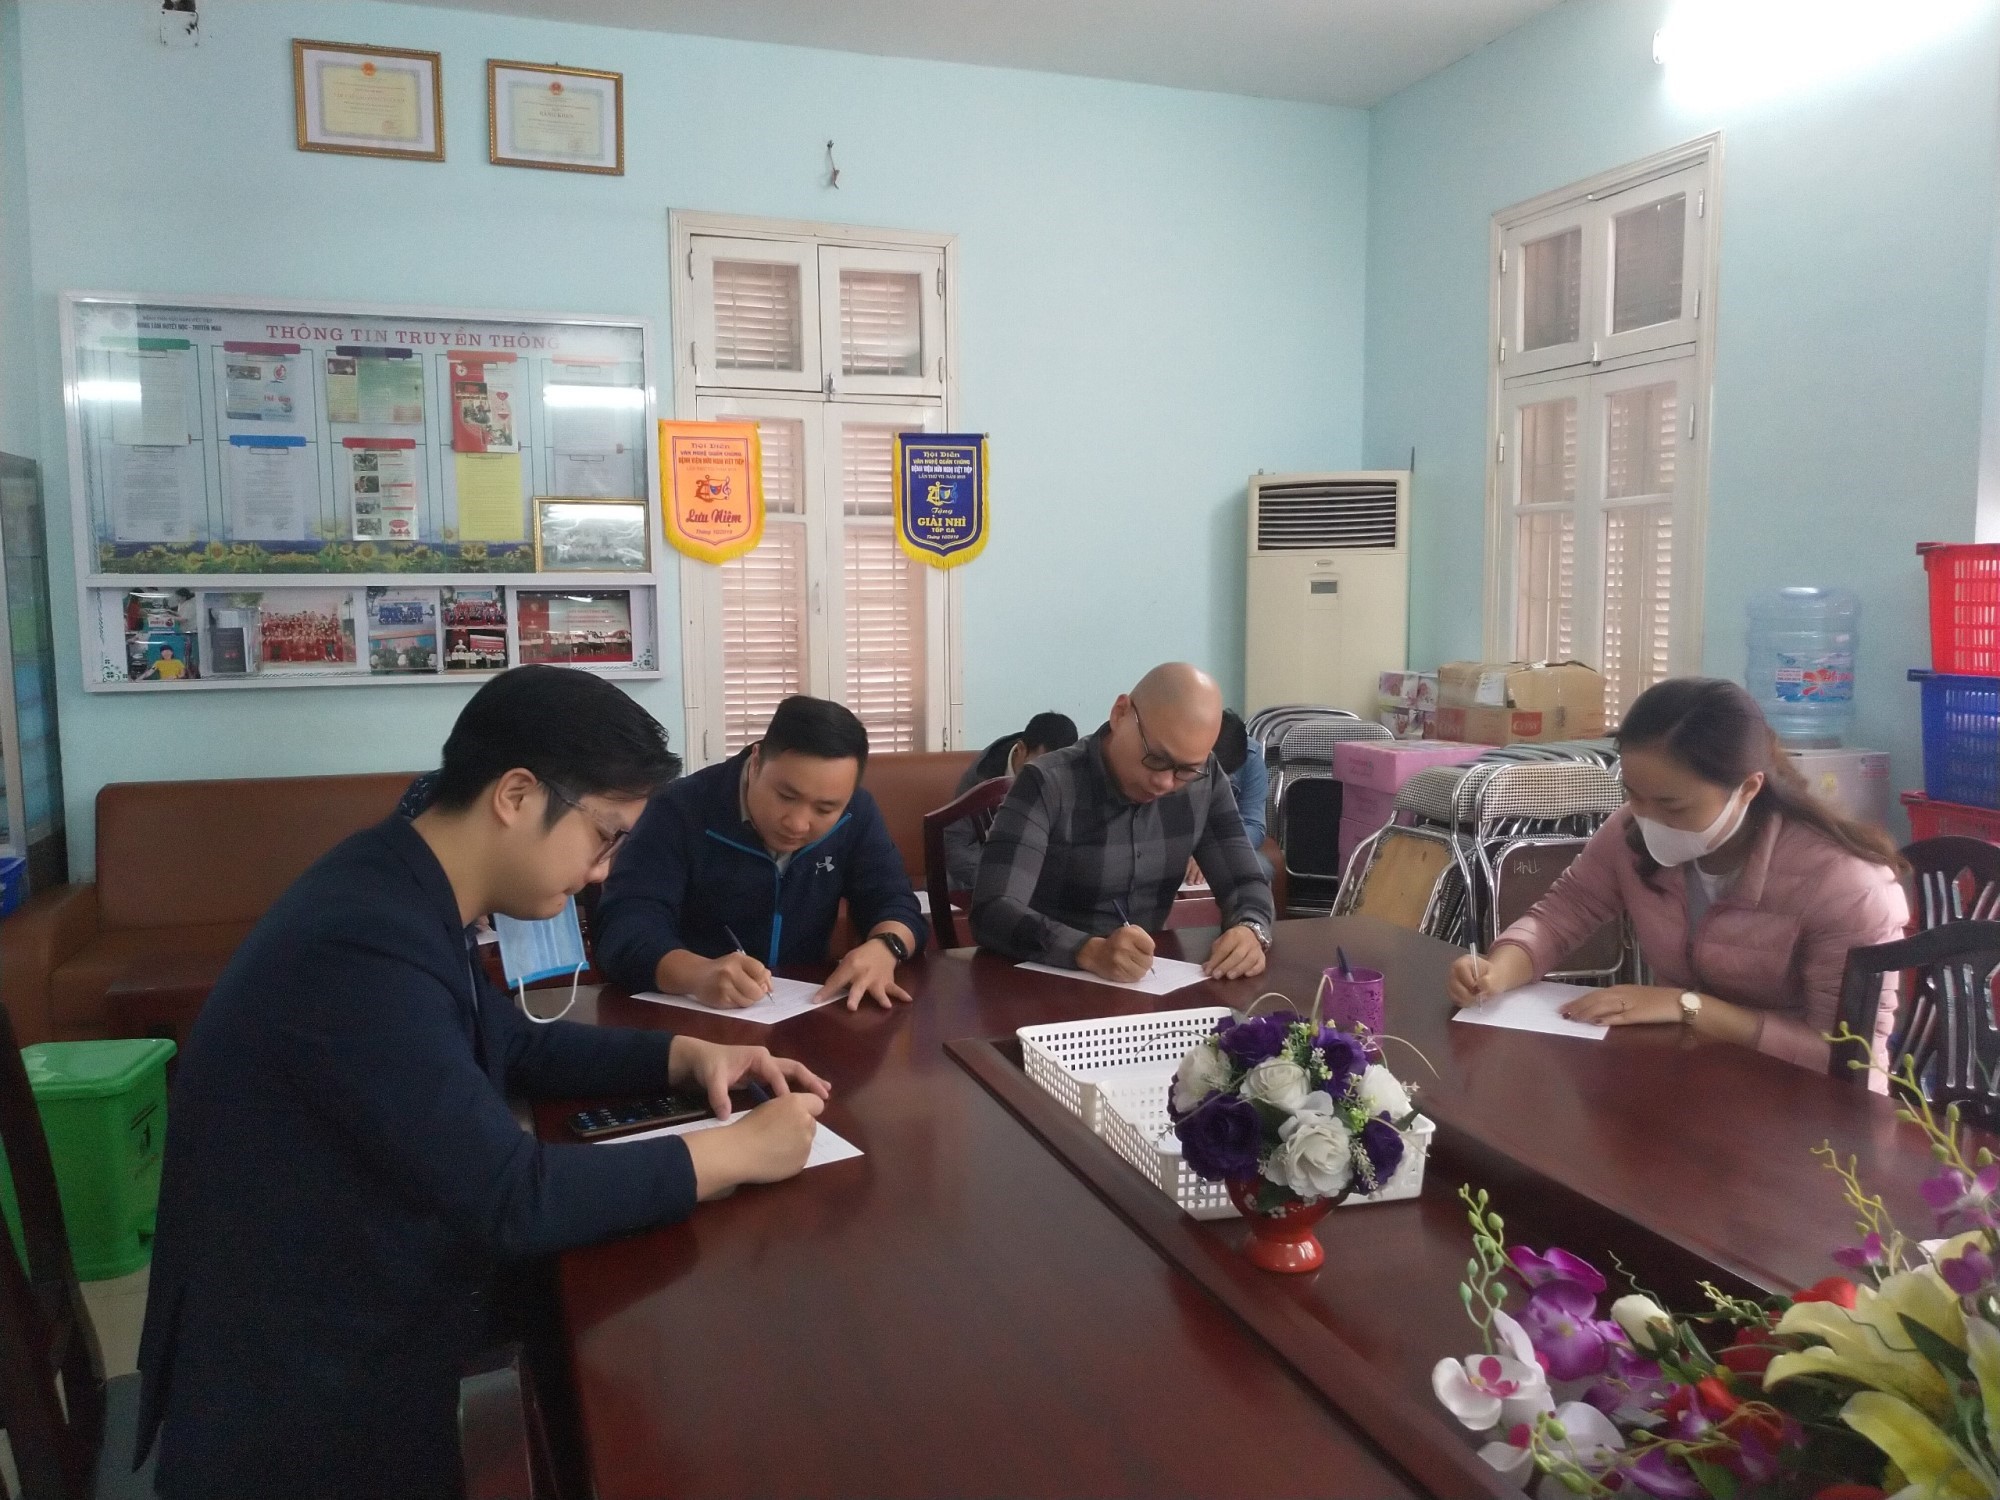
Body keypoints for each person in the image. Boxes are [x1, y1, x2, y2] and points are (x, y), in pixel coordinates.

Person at [136, 666, 830, 1499]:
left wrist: (683, 1056)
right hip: (307, 1391)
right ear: (516, 796)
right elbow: (510, 1198)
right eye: (604, 836)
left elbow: (507, 1042)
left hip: (359, 1294)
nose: (602, 871)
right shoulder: (360, 945)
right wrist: (734, 1153)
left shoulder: (399, 879)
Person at [1446, 677, 1909, 1086]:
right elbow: (1564, 912)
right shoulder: (1630, 831)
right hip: (1691, 1077)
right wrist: (1499, 969)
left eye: (1672, 805)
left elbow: (1848, 1060)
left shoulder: (1847, 886)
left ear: (1748, 789)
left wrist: (1690, 1008)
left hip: (1804, 1113)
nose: (1647, 819)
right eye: (1633, 794)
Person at [595, 695, 924, 1010]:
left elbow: (894, 900)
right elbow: (624, 928)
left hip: (805, 1012)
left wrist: (887, 946)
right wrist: (696, 974)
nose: (797, 824)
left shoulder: (856, 813)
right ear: (755, 764)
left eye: (825, 809)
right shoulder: (679, 810)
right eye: (785, 796)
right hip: (690, 1015)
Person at [971, 662, 1276, 982]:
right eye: (1156, 758)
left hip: (1149, 981)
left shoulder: (1205, 779)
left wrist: (1250, 929)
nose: (1165, 782)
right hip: (1045, 982)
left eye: (1186, 770)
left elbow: (1246, 881)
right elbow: (993, 909)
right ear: (1120, 714)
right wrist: (1087, 950)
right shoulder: (1048, 783)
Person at [942, 711, 1079, 891]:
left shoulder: (1076, 775)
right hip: (990, 870)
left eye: (1057, 770)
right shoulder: (981, 776)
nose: (1048, 778)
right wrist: (1002, 878)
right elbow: (955, 844)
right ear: (1021, 749)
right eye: (1040, 766)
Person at [1190, 708, 1270, 884]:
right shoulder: (1176, 751)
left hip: (1223, 842)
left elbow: (1254, 825)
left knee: (1262, 868)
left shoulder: (1250, 755)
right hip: (1177, 844)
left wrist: (1213, 852)